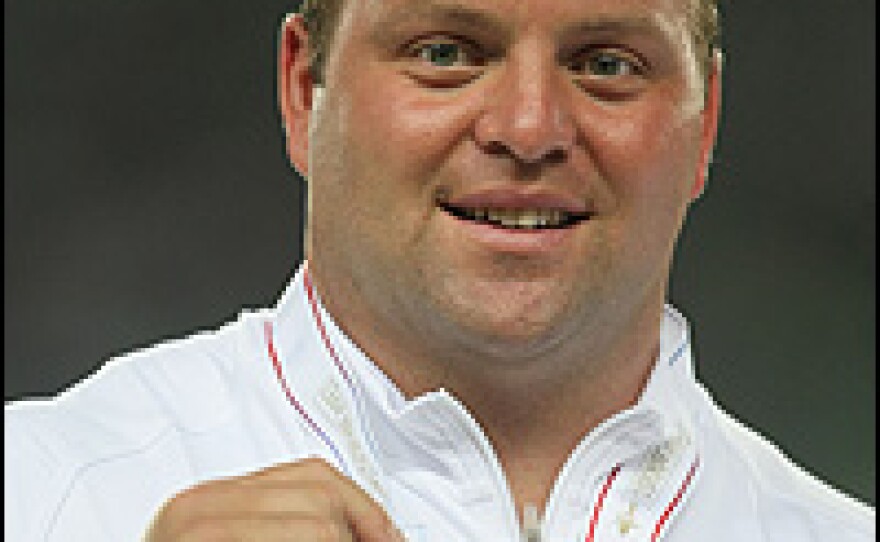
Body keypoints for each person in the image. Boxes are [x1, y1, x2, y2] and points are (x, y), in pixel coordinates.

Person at [4, 0, 874, 540]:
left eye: (606, 65)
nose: (528, 129)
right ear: (304, 91)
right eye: (447, 52)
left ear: (705, 122)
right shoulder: (39, 491)